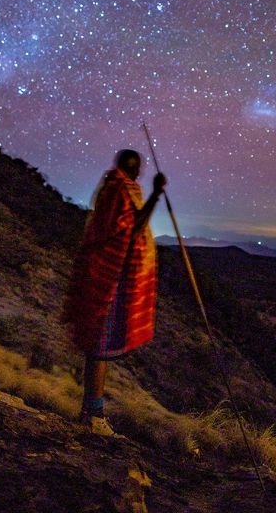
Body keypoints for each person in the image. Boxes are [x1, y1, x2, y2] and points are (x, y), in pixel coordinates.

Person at [63, 148, 166, 436]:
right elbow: (133, 229)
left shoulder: (115, 187)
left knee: (101, 345)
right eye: (137, 169)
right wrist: (157, 194)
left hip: (105, 274)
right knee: (99, 345)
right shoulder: (120, 190)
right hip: (108, 277)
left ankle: (92, 410)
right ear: (131, 169)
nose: (139, 174)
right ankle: (92, 414)